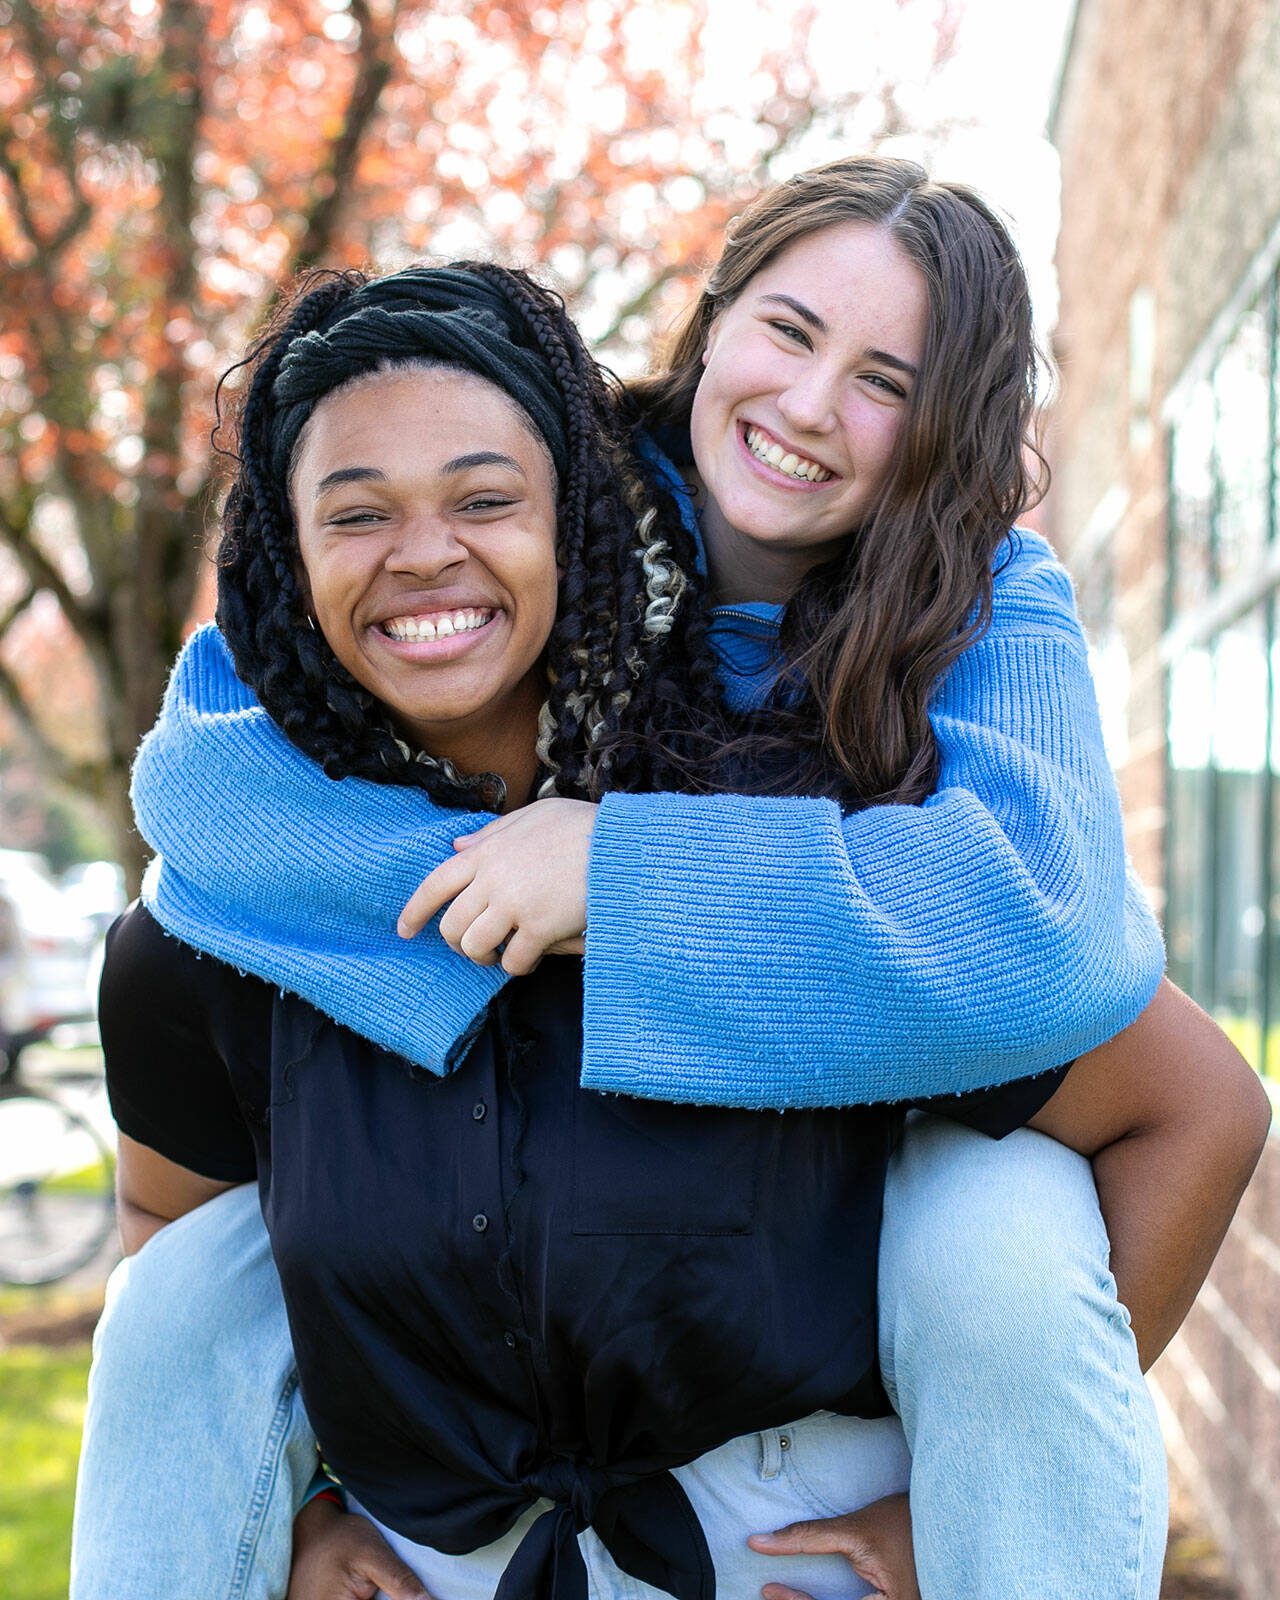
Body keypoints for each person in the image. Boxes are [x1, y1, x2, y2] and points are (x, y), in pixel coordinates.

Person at [73, 163, 1269, 1600]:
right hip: (489, 1423)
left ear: (948, 431)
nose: (814, 403)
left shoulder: (979, 608)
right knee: (189, 1293)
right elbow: (204, 776)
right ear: (708, 325)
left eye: (887, 378)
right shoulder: (544, 493)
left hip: (798, 1345)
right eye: (789, 329)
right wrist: (475, 893)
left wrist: (621, 885)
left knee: (996, 1226)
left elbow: (1051, 936)